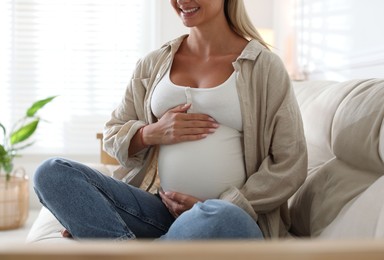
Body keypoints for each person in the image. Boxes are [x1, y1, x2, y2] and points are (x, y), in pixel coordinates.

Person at [34, 0, 307, 240]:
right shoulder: (153, 64)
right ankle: (147, 244)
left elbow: (289, 162)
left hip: (228, 216)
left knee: (220, 217)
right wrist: (151, 133)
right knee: (51, 172)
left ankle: (119, 244)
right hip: (159, 209)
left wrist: (227, 203)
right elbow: (112, 134)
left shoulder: (263, 66)